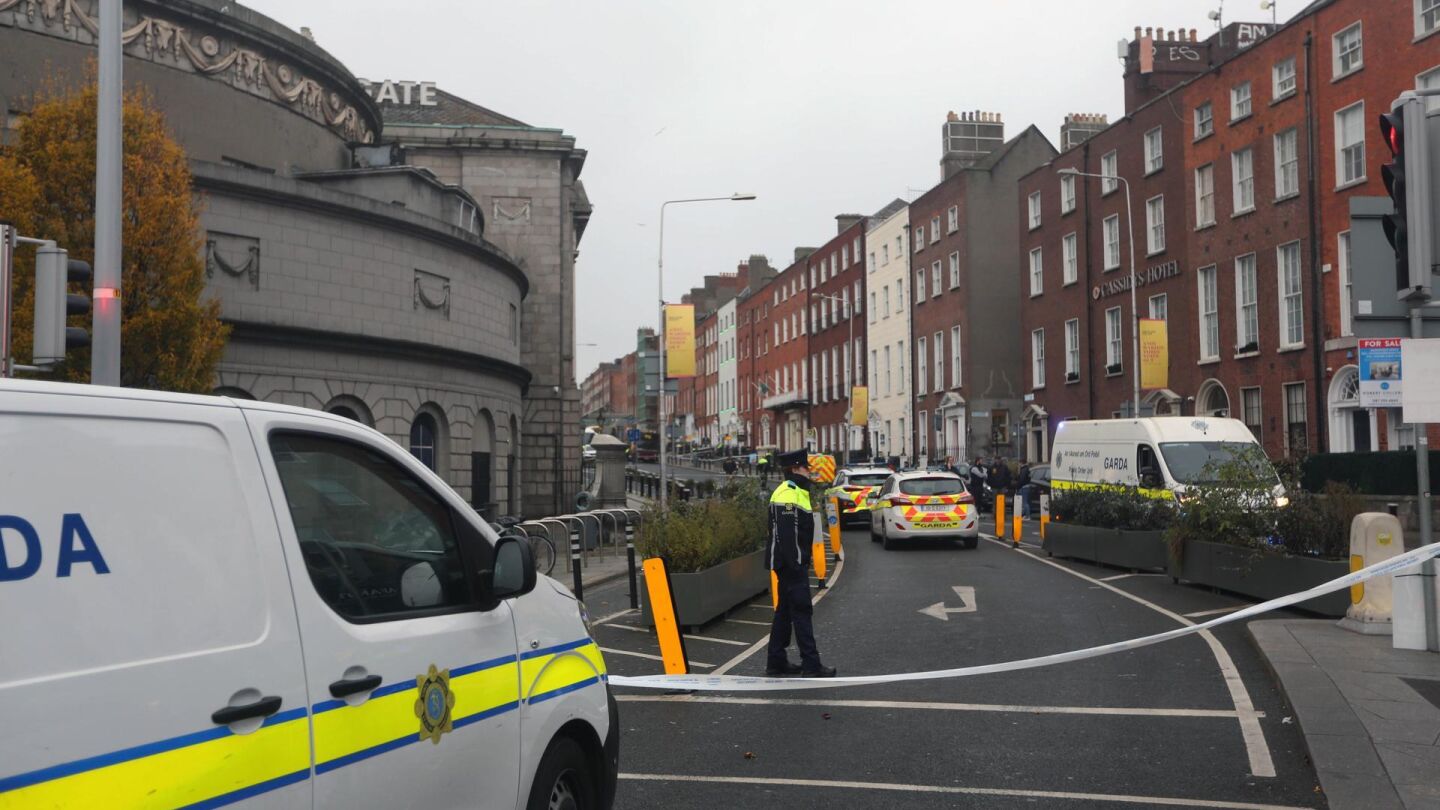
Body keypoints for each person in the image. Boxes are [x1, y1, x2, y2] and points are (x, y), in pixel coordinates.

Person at [766, 450, 836, 678]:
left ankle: (776, 662)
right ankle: (811, 665)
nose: (809, 471)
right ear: (795, 468)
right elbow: (788, 535)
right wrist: (797, 564)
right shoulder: (788, 493)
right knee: (802, 610)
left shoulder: (795, 491)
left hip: (788, 563)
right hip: (790, 564)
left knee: (785, 612)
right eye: (805, 467)